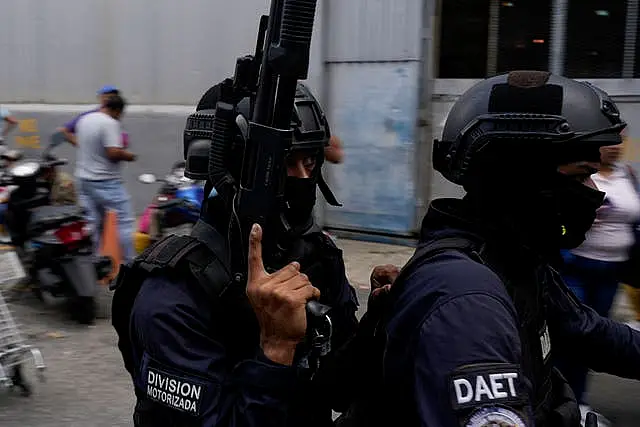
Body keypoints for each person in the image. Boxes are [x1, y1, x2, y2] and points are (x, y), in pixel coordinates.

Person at [340, 71, 640, 427]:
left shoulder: (515, 259)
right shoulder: (467, 299)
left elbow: (586, 331)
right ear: (523, 179)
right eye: (579, 176)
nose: (594, 191)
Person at [112, 81, 362, 427]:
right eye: (287, 164)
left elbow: (342, 389)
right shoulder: (172, 298)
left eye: (310, 161)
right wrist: (275, 350)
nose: (304, 178)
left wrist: (380, 322)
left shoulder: (316, 257)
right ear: (230, 171)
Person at [557, 136, 640, 424]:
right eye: (608, 142)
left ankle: (576, 402)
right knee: (574, 338)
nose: (615, 147)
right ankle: (557, 401)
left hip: (611, 273)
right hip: (576, 269)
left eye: (619, 141)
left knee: (593, 344)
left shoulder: (626, 174)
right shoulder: (580, 173)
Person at [75, 94, 137, 264]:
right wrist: (130, 156)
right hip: (106, 181)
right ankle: (131, 264)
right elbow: (113, 152)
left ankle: (95, 262)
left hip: (83, 179)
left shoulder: (84, 119)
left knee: (93, 223)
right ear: (117, 110)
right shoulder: (110, 123)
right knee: (124, 222)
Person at [59, 85, 130, 147]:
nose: (109, 98)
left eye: (113, 96)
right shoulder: (89, 115)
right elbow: (63, 130)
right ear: (100, 98)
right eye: (106, 96)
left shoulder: (115, 114)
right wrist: (83, 146)